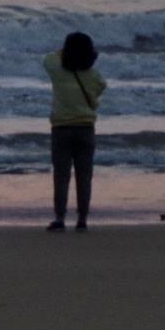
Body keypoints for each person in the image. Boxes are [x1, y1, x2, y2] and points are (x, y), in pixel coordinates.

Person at [43, 32, 107, 232]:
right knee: (84, 176)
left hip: (61, 129)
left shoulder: (57, 69)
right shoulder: (93, 75)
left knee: (61, 176)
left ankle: (60, 218)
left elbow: (48, 58)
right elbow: (101, 87)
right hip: (86, 129)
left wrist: (65, 51)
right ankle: (82, 219)